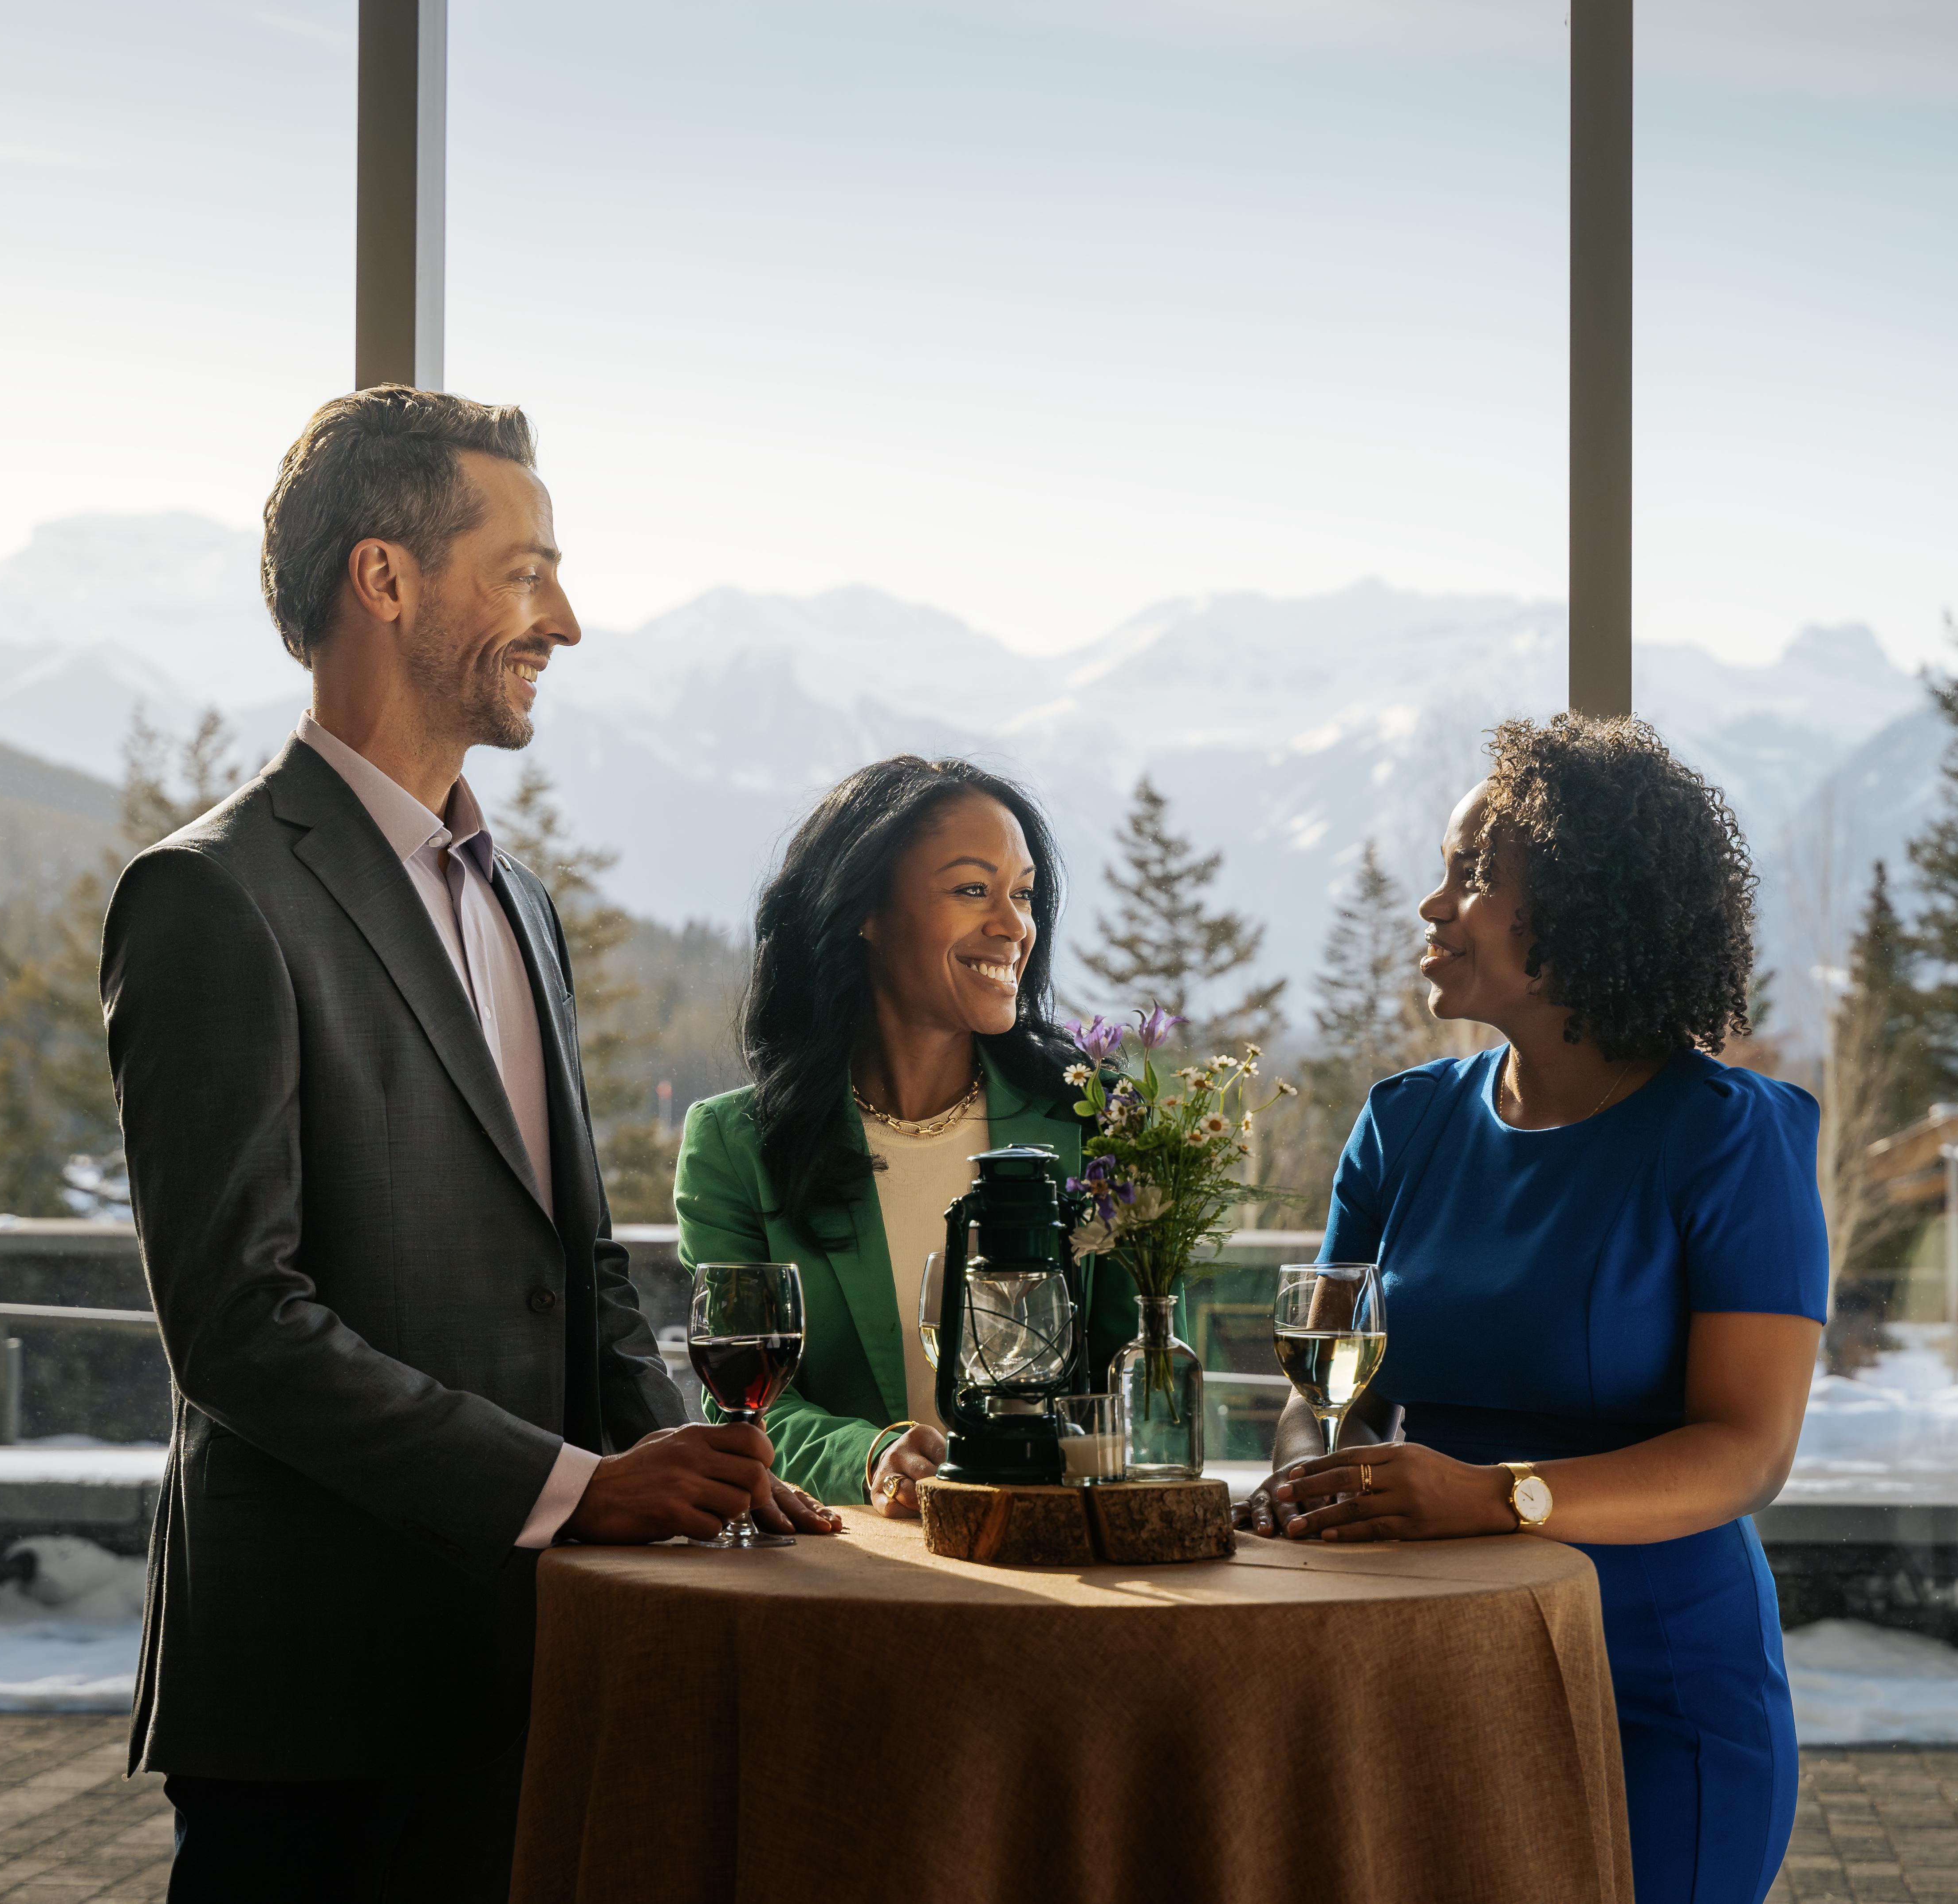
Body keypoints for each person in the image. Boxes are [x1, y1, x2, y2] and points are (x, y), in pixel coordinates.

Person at [102, 386, 835, 1903]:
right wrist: (576, 1487)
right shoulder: (210, 900)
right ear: (386, 581)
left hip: (535, 1680)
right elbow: (238, 1326)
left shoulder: (522, 901)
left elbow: (578, 1274)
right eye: (523, 571)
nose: (562, 617)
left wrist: (697, 1475)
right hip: (321, 1710)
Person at [1248, 714, 1827, 1904]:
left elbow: (1748, 1449)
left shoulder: (1730, 1136)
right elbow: (1325, 1391)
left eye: (1471, 874)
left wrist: (1496, 1494)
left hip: (1654, 1690)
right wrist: (1320, 1476)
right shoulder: (1403, 1123)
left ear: (1581, 906)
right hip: (1419, 1667)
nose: (1432, 904)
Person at [676, 756, 1137, 1511]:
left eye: (1023, 894)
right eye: (971, 890)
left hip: (1056, 1551)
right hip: (856, 1567)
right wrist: (870, 1453)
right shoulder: (738, 1144)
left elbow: (1138, 1370)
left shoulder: (1095, 1122)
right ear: (866, 911)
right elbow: (744, 1405)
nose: (1013, 925)